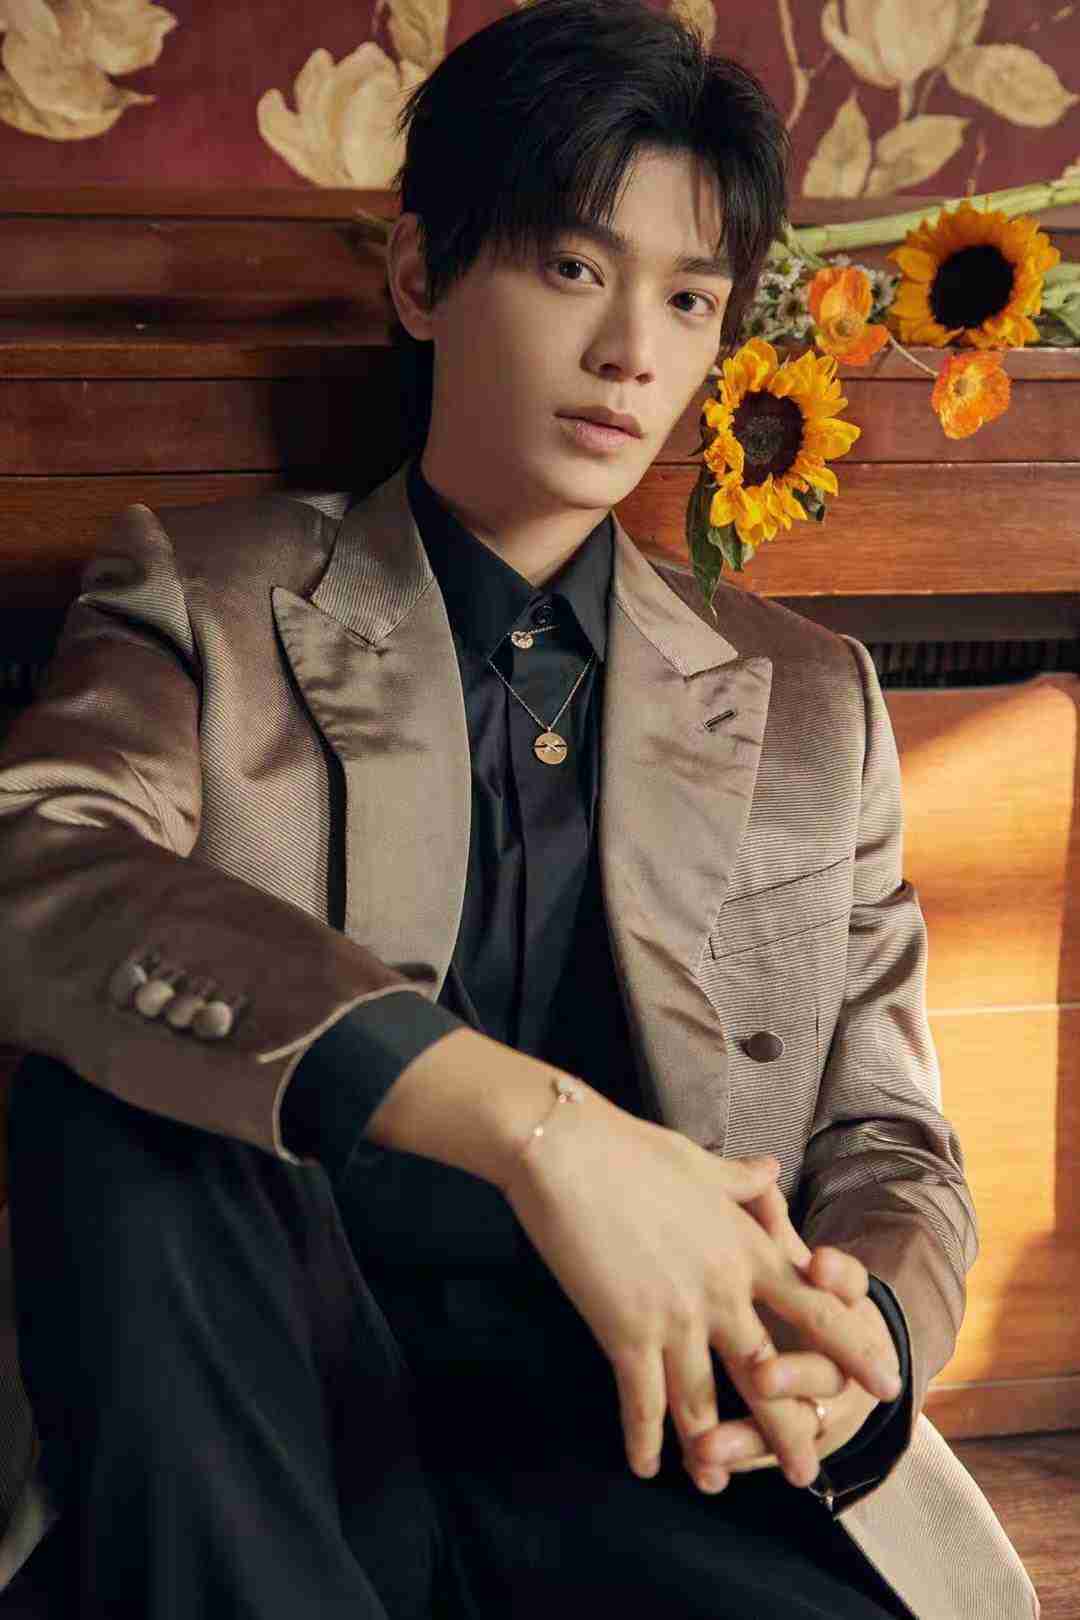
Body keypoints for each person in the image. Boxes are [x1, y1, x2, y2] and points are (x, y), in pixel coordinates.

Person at [0, 0, 1038, 1616]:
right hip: (270, 1422)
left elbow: (890, 1138)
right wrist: (544, 1134)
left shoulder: (809, 699)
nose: (633, 351)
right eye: (570, 268)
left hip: (656, 1435)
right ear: (423, 277)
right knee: (123, 1098)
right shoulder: (204, 599)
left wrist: (868, 1329)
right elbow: (41, 867)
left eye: (687, 298)